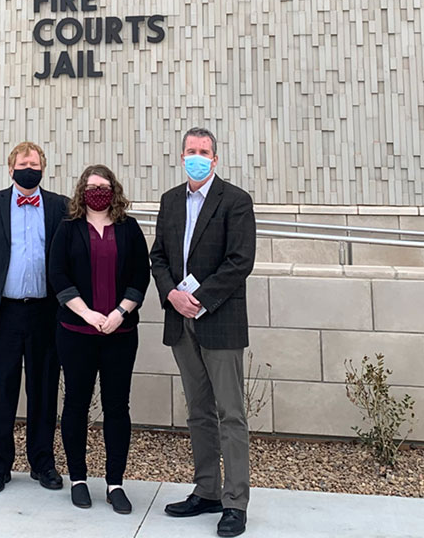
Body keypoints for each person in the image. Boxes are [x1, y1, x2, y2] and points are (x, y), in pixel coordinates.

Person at [149, 127, 257, 538]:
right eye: (191, 150)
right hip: (181, 322)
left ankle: (235, 502)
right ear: (181, 156)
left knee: (231, 414)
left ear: (215, 158)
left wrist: (201, 299)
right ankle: (207, 490)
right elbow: (158, 256)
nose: (197, 156)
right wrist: (172, 296)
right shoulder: (171, 201)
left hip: (219, 321)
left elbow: (239, 260)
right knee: (198, 412)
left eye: (204, 151)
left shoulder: (235, 201)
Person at [0, 141, 67, 495]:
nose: (29, 167)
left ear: (43, 168)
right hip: (2, 313)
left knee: (43, 390)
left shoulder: (60, 208)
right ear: (10, 169)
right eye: (23, 163)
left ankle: (43, 463)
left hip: (45, 313)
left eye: (34, 163)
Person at [47, 164, 149, 515]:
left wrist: (120, 312)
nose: (98, 192)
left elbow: (141, 274)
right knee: (76, 403)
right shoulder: (68, 228)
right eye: (91, 187)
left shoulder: (129, 228)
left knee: (117, 407)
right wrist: (88, 314)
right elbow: (57, 274)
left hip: (120, 334)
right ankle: (78, 479)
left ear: (114, 190)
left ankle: (115, 483)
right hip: (76, 333)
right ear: (81, 191)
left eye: (103, 187)